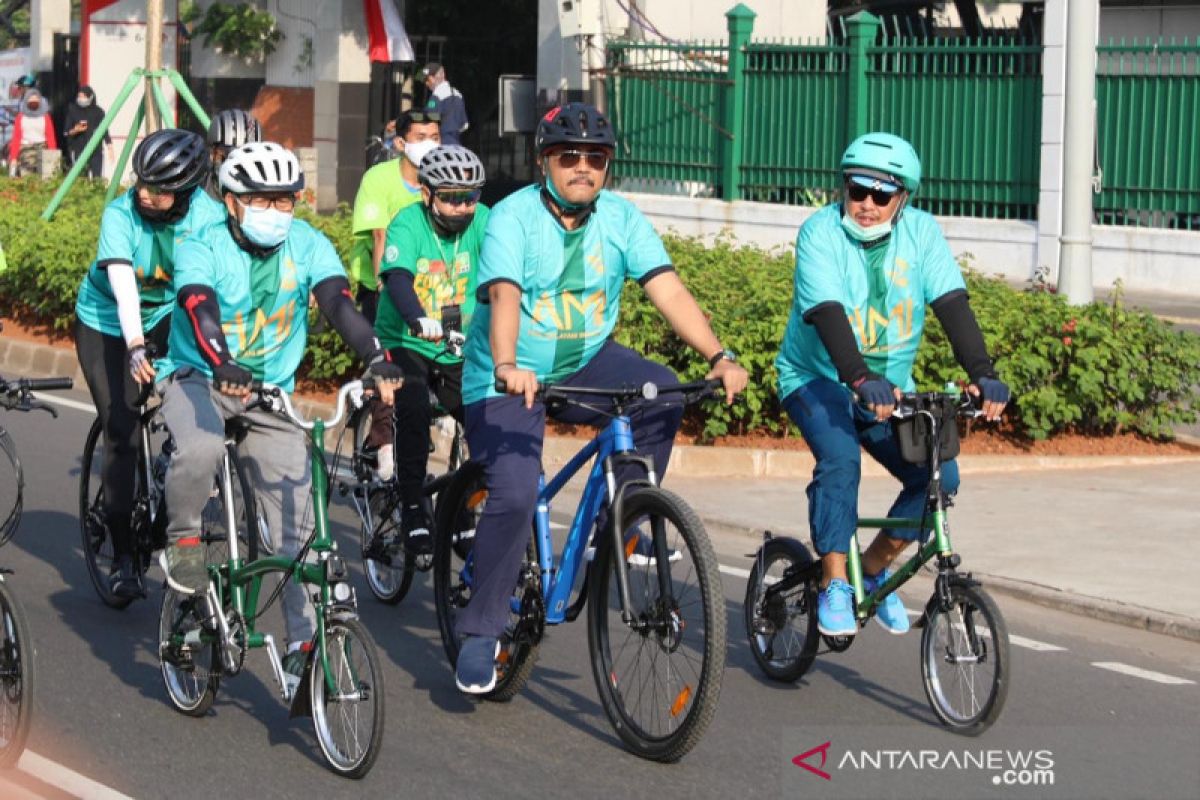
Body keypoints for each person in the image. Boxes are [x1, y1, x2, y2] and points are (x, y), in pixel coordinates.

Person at [452, 102, 749, 694]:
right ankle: (481, 631)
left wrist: (719, 356)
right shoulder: (511, 218)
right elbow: (505, 295)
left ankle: (617, 523)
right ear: (544, 162)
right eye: (568, 156)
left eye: (595, 158)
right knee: (515, 489)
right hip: (506, 376)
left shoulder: (620, 217)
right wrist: (509, 364)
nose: (582, 167)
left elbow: (667, 287)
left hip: (585, 360)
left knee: (663, 392)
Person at [154, 141, 403, 684]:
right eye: (262, 199)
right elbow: (200, 306)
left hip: (272, 395)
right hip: (201, 375)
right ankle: (183, 540)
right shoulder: (203, 244)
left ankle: (304, 648)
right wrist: (221, 361)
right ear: (231, 202)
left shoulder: (309, 244)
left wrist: (376, 357)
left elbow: (338, 302)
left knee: (300, 530)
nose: (277, 211)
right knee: (198, 447)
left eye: (287, 200)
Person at [774, 132, 1010, 638]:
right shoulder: (820, 233)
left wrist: (983, 374)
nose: (866, 205)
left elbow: (951, 305)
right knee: (841, 460)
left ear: (902, 198)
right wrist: (859, 378)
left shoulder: (923, 235)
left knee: (940, 479)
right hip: (815, 378)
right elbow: (826, 313)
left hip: (890, 391)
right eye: (857, 190)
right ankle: (836, 583)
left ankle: (874, 569)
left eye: (881, 196)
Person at [73, 128, 222, 599]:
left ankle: (171, 471)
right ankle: (121, 558)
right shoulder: (119, 213)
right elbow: (122, 285)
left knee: (195, 393)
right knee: (121, 425)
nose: (144, 194)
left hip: (168, 314)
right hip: (107, 321)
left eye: (159, 190)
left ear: (188, 192)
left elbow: (216, 291)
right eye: (142, 182)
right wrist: (136, 345)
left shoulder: (208, 216)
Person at [370, 144, 488, 559]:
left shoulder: (483, 222)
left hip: (458, 344)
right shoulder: (408, 223)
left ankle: (465, 508)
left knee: (483, 416)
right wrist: (418, 318)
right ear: (427, 193)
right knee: (415, 407)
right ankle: (413, 506)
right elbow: (398, 278)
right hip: (406, 340)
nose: (462, 207)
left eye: (470, 196)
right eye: (451, 197)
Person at [350, 109, 441, 480]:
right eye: (421, 137)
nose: (430, 144)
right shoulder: (379, 178)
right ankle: (384, 443)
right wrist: (389, 289)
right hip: (382, 287)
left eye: (436, 135)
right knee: (391, 364)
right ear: (400, 143)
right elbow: (379, 237)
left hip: (432, 292)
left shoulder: (444, 177)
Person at [203, 108, 262, 200]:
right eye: (229, 158)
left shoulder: (265, 198)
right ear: (213, 154)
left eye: (248, 160)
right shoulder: (195, 198)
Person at [64, 86, 114, 178]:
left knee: (97, 177)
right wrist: (76, 130)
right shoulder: (73, 110)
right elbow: (67, 132)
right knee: (82, 176)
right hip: (79, 149)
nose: (81, 99)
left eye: (83, 97)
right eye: (79, 96)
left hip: (96, 150)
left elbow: (104, 130)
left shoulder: (98, 112)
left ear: (90, 97)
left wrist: (110, 147)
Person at [6, 89, 57, 177]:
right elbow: (16, 138)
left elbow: (50, 136)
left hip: (42, 148)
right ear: (26, 101)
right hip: (25, 149)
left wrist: (53, 154)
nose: (33, 101)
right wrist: (13, 157)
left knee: (46, 176)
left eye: (36, 99)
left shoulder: (45, 117)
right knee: (27, 176)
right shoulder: (20, 117)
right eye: (31, 99)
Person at [420, 63, 467, 146]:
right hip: (456, 143)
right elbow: (464, 125)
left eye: (426, 80)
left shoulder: (436, 96)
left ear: (432, 78)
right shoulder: (458, 94)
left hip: (441, 142)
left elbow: (428, 118)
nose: (426, 84)